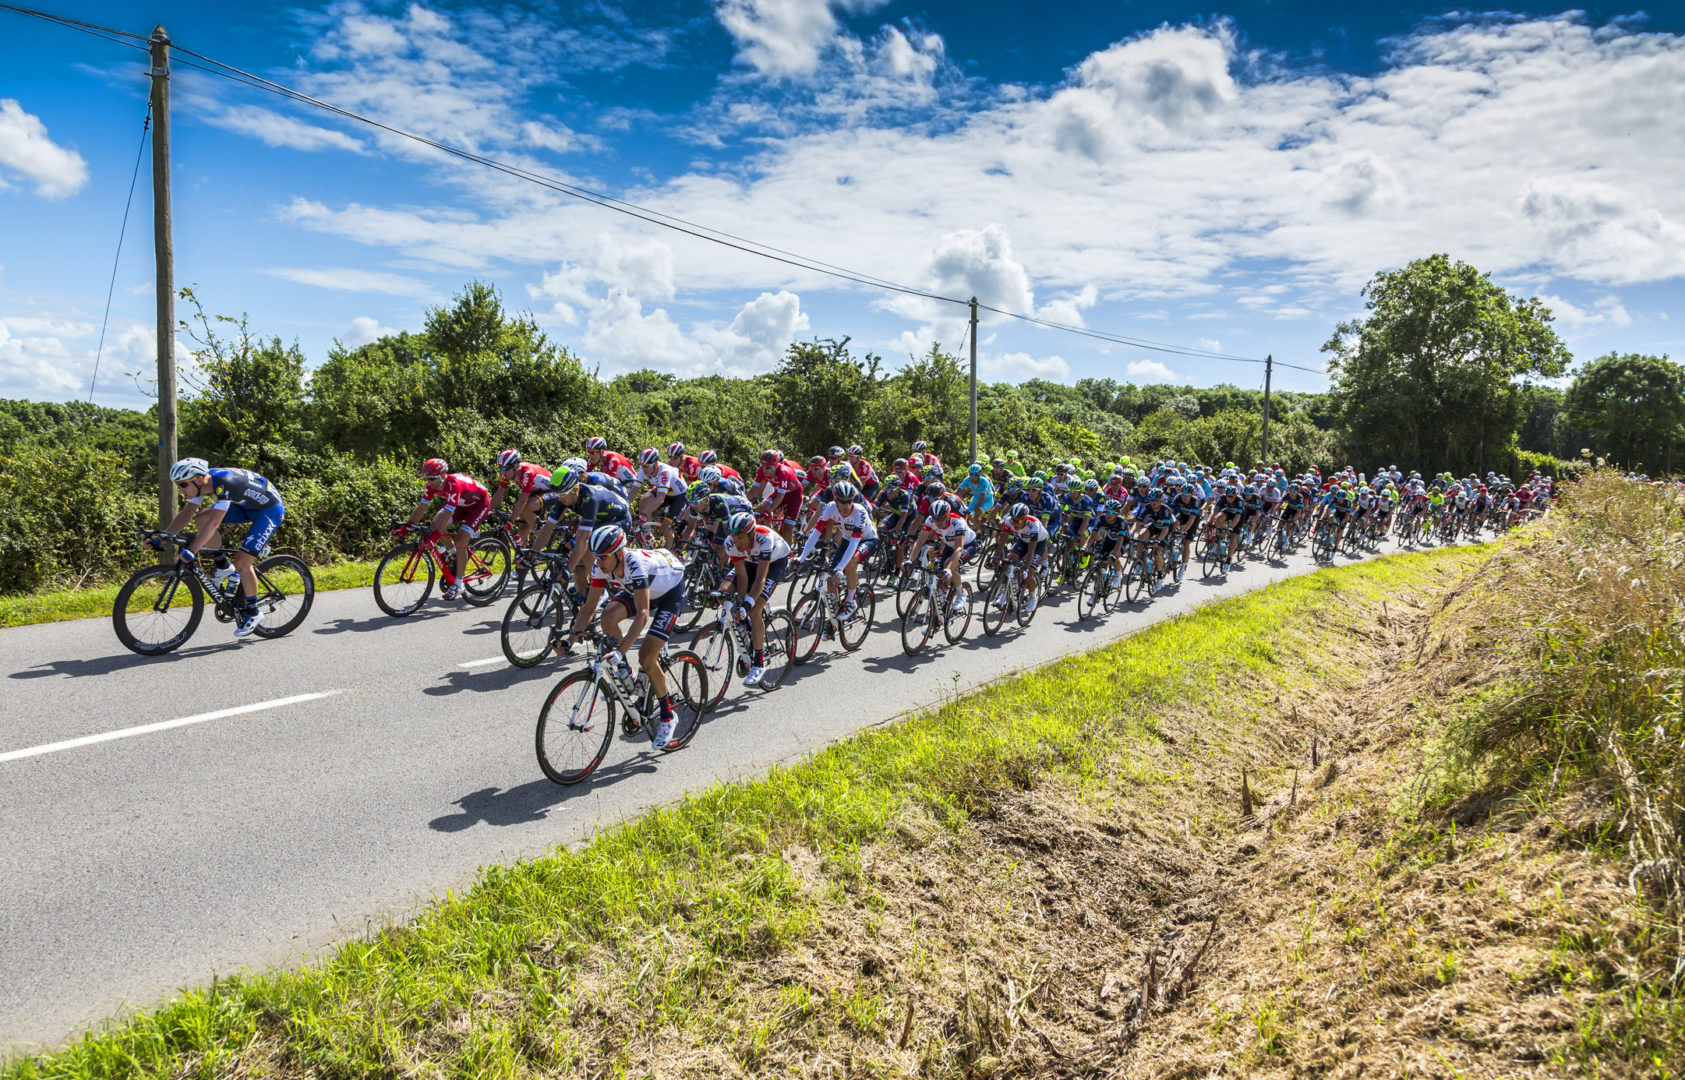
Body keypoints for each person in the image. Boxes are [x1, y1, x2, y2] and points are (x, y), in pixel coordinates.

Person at [558, 525, 687, 750]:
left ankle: (667, 717)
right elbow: (589, 608)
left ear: (620, 553)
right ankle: (626, 675)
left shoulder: (635, 565)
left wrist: (621, 650)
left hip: (670, 592)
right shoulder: (603, 566)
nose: (598, 562)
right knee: (607, 616)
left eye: (604, 556)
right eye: (596, 557)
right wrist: (569, 639)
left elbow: (643, 614)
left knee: (647, 658)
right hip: (642, 588)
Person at [157, 457, 284, 637]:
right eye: (178, 485)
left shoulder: (224, 483)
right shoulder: (202, 483)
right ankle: (223, 566)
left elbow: (215, 523)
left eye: (183, 485)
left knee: (242, 563)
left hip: (269, 511)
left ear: (199, 480)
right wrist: (163, 538)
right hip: (245, 506)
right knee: (200, 519)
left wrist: (193, 550)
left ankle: (253, 612)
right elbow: (186, 514)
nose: (180, 489)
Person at [533, 467, 633, 598]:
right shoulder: (564, 496)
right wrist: (531, 554)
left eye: (562, 495)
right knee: (579, 558)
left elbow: (584, 539)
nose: (559, 498)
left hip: (619, 519)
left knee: (587, 543)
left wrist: (568, 570)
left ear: (574, 489)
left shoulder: (590, 498)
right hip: (601, 519)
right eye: (557, 494)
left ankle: (600, 588)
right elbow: (548, 527)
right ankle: (588, 589)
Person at [404, 458, 490, 603]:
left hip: (478, 505)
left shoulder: (454, 485)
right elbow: (421, 508)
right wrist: (406, 528)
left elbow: (449, 513)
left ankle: (458, 584)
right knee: (434, 525)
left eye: (432, 479)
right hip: (460, 505)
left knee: (460, 540)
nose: (429, 482)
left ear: (443, 475)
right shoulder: (432, 486)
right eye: (426, 478)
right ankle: (454, 553)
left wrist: (435, 536)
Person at [722, 510, 791, 687]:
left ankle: (759, 664)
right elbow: (742, 577)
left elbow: (760, 580)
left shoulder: (764, 538)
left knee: (754, 610)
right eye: (734, 538)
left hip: (775, 563)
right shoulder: (730, 543)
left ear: (752, 534)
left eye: (740, 538)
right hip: (750, 561)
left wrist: (747, 605)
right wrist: (741, 603)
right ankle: (747, 628)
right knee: (723, 593)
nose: (736, 543)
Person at [798, 480, 878, 619]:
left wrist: (840, 568)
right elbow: (815, 533)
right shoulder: (830, 508)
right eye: (842, 501)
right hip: (847, 539)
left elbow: (854, 544)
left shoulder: (859, 511)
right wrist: (801, 558)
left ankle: (851, 601)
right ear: (835, 499)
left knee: (849, 562)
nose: (847, 505)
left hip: (868, 540)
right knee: (830, 580)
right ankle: (835, 621)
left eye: (850, 501)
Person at [486, 449, 550, 545]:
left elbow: (522, 501)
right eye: (501, 469)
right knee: (522, 530)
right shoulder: (509, 473)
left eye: (505, 469)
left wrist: (511, 520)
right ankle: (528, 557)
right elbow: (499, 493)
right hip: (535, 492)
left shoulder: (527, 473)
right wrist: (486, 511)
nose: (503, 473)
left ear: (516, 466)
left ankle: (540, 532)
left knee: (524, 508)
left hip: (551, 491)